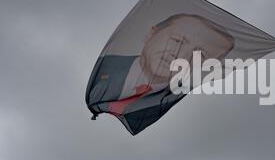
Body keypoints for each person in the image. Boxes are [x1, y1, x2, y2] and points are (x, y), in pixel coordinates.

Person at [86, 13, 235, 134]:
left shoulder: (171, 101)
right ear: (152, 32)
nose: (180, 55)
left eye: (200, 56)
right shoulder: (108, 67)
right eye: (177, 41)